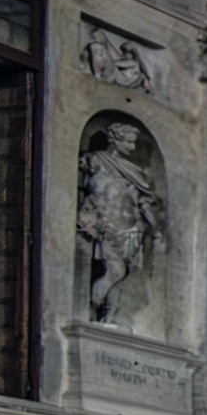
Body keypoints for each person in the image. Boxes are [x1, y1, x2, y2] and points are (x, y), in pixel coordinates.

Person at [77, 120, 165, 326]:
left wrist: (155, 228)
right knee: (116, 271)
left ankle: (107, 319)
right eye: (129, 142)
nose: (133, 147)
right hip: (106, 225)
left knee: (122, 275)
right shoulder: (95, 160)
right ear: (116, 140)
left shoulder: (133, 172)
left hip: (130, 230)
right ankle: (91, 309)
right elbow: (83, 187)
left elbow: (143, 203)